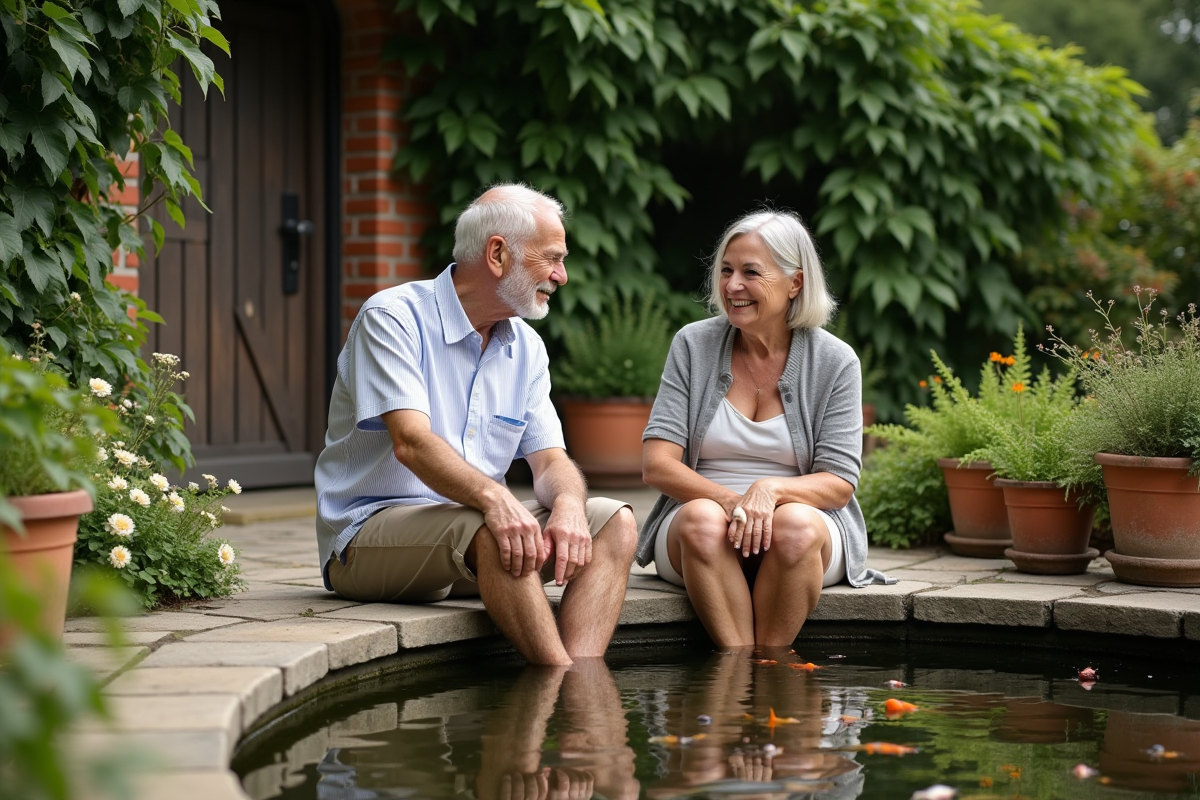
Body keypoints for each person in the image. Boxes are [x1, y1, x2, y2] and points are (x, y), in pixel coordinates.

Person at [315, 183, 638, 666]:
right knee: (491, 525)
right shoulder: (393, 317)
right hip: (366, 541)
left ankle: (582, 679)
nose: (562, 275)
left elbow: (551, 460)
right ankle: (559, 679)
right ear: (497, 254)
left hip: (476, 536)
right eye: (552, 258)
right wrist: (495, 499)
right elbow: (412, 443)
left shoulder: (526, 347)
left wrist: (570, 504)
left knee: (615, 523)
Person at [639, 210, 893, 649]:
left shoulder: (835, 361)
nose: (732, 285)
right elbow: (657, 466)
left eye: (751, 272)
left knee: (795, 526)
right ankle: (740, 670)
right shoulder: (693, 345)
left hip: (804, 529)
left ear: (795, 283)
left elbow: (838, 484)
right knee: (701, 520)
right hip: (700, 533)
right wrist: (732, 503)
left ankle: (771, 668)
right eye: (726, 271)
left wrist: (770, 491)